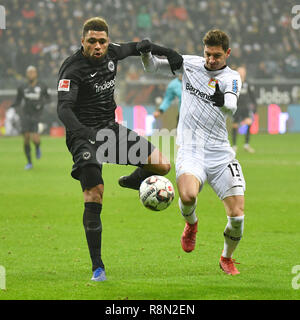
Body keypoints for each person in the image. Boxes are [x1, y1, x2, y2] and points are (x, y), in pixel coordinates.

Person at [56, 17, 175, 282]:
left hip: (110, 130)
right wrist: (84, 134)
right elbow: (63, 109)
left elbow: (138, 46)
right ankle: (98, 266)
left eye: (102, 41)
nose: (98, 46)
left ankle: (132, 182)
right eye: (92, 41)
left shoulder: (113, 52)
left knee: (162, 165)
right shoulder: (72, 69)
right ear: (82, 42)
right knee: (94, 193)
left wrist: (165, 52)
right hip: (83, 137)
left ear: (107, 41)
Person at [138, 30, 246, 275]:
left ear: (227, 53)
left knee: (237, 216)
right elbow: (152, 67)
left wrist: (221, 101)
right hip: (191, 148)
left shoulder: (231, 77)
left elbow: (231, 107)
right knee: (187, 197)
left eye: (217, 55)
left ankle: (226, 258)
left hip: (220, 152)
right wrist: (145, 51)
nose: (211, 60)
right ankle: (191, 224)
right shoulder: (191, 65)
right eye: (208, 54)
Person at [11, 66, 50, 170]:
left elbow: (48, 98)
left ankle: (37, 147)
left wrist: (42, 104)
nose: (31, 74)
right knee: (26, 139)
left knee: (35, 139)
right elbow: (18, 101)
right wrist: (13, 106)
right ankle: (29, 163)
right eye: (29, 72)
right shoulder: (22, 87)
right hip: (26, 115)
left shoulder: (42, 86)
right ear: (26, 74)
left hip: (38, 115)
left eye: (33, 72)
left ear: (36, 74)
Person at [231, 66, 256, 153]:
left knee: (249, 122)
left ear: (245, 73)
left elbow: (252, 96)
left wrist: (254, 108)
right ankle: (234, 146)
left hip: (245, 107)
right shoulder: (234, 83)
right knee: (235, 126)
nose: (241, 73)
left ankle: (246, 145)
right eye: (240, 71)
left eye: (243, 72)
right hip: (236, 107)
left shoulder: (248, 84)